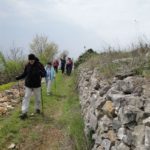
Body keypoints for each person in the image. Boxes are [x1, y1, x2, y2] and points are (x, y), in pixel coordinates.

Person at [16, 53, 46, 120]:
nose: (31, 62)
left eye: (32, 60)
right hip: (28, 84)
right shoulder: (27, 65)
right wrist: (18, 77)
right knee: (26, 97)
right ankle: (24, 112)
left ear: (34, 59)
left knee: (37, 98)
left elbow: (44, 73)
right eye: (30, 60)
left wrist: (42, 74)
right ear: (28, 60)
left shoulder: (39, 65)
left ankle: (37, 109)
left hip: (37, 85)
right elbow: (24, 74)